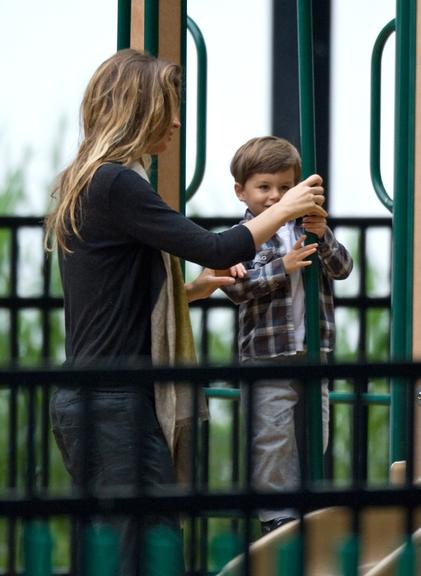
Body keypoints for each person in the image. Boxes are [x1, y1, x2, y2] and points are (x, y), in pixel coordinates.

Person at [44, 50, 326, 575]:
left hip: (92, 400)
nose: (176, 120)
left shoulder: (87, 183)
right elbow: (218, 248)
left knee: (124, 551)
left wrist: (190, 293)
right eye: (167, 106)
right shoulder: (116, 182)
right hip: (113, 403)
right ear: (137, 109)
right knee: (147, 553)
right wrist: (285, 208)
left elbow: (107, 302)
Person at [221, 136, 353, 536]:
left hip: (313, 350)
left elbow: (343, 267)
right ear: (241, 191)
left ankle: (306, 501)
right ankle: (277, 514)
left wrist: (324, 235)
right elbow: (237, 287)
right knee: (271, 433)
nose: (274, 196)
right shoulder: (242, 235)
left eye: (284, 187)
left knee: (317, 429)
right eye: (264, 187)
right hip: (267, 354)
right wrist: (284, 265)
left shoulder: (308, 228)